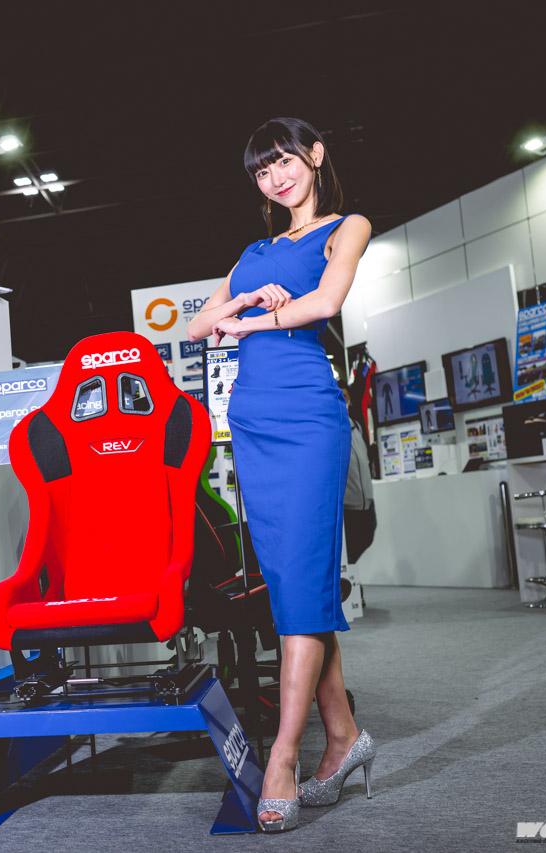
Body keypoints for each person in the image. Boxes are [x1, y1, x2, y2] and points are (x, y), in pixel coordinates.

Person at [186, 116, 375, 832]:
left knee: (299, 581)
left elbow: (326, 302)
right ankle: (345, 736)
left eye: (285, 161)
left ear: (315, 156)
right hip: (254, 420)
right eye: (263, 172)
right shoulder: (253, 251)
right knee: (296, 586)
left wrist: (255, 322)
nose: (276, 178)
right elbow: (197, 325)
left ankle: (284, 758)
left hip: (307, 415)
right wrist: (240, 302)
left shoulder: (345, 227)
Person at [342, 385, 377, 564]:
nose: (343, 400)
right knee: (352, 556)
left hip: (367, 505)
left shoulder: (356, 426)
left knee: (367, 543)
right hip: (349, 508)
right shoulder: (332, 429)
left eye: (345, 396)